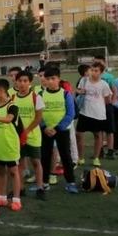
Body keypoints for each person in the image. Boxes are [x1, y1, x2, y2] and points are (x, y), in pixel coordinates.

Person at [40, 66, 78, 195]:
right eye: (48, 79)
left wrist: (57, 128)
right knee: (45, 157)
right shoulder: (40, 95)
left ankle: (71, 182)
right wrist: (44, 127)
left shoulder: (65, 94)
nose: (50, 81)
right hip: (45, 131)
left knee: (66, 156)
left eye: (53, 78)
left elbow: (70, 114)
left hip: (61, 131)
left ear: (58, 79)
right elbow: (37, 113)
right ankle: (44, 183)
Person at [0, 79, 22, 211]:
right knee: (0, 171)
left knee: (13, 172)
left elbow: (9, 119)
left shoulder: (12, 106)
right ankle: (2, 198)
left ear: (1, 90)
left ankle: (16, 200)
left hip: (10, 145)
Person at [13, 71, 45, 196]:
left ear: (30, 82)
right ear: (16, 82)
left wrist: (26, 131)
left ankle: (40, 188)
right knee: (20, 164)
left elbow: (38, 118)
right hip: (17, 137)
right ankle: (20, 189)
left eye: (25, 81)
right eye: (20, 81)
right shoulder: (12, 99)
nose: (22, 83)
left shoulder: (36, 97)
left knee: (36, 162)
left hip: (33, 136)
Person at [75, 62, 112, 168]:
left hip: (98, 114)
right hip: (84, 113)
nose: (93, 72)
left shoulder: (104, 84)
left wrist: (99, 104)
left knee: (97, 135)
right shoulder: (84, 80)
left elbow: (108, 99)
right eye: (92, 70)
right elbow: (78, 90)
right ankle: (81, 158)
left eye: (96, 71)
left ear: (101, 72)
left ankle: (96, 158)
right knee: (79, 134)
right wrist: (80, 92)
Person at [93, 55, 117, 159]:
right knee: (98, 129)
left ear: (104, 63)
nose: (97, 64)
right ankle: (100, 151)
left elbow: (114, 90)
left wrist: (112, 102)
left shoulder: (109, 77)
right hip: (96, 106)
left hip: (107, 105)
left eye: (99, 62)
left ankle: (111, 151)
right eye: (95, 62)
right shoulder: (91, 76)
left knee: (109, 129)